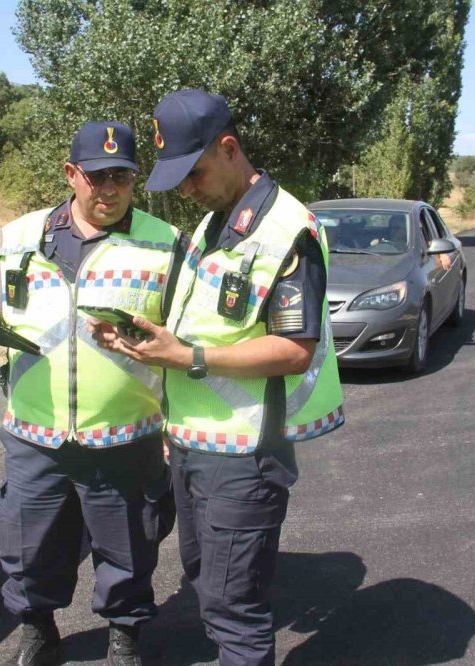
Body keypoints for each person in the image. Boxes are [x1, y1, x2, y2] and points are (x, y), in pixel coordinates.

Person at [92, 90, 344, 665]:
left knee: (234, 610)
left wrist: (185, 357)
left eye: (195, 173)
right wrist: (147, 339)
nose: (185, 189)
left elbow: (294, 348)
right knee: (208, 585)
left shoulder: (286, 230)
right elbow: (202, 321)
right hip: (191, 444)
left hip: (245, 454)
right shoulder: (212, 225)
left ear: (229, 149)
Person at [0, 121, 181, 666]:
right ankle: (38, 627)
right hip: (37, 432)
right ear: (71, 174)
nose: (109, 190)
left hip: (126, 433)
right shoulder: (21, 236)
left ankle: (124, 634)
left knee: (128, 549)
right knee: (27, 546)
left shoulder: (165, 242)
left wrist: (175, 423)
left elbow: (182, 333)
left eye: (122, 179)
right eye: (97, 177)